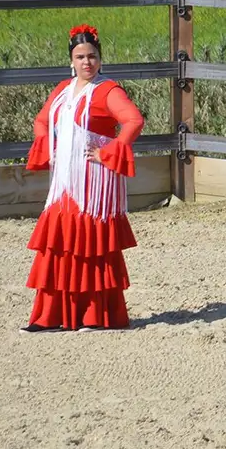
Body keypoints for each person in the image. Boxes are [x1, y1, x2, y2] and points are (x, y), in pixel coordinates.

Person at [22, 24, 145, 331]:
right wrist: (47, 145)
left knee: (91, 244)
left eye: (91, 56)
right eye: (80, 57)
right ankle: (51, 317)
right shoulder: (63, 89)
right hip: (65, 179)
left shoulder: (108, 91)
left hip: (94, 182)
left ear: (100, 59)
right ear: (71, 60)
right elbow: (41, 120)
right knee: (59, 244)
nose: (86, 62)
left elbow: (133, 120)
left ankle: (95, 316)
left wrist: (109, 152)